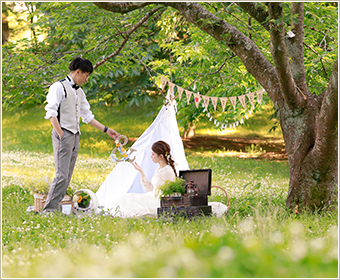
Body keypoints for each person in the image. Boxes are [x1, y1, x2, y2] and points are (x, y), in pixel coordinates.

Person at [43, 57, 120, 212]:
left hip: (75, 135)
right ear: (78, 72)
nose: (87, 79)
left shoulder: (80, 92)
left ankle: (56, 208)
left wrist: (106, 130)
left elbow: (87, 116)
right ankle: (48, 210)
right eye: (86, 75)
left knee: (67, 175)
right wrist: (60, 134)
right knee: (62, 175)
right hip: (63, 134)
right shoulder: (58, 87)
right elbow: (51, 114)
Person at [103, 140, 177, 218]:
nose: (151, 156)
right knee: (127, 198)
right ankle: (113, 213)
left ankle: (117, 214)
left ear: (161, 156)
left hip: (158, 201)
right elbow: (151, 189)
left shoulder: (167, 171)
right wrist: (140, 171)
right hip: (152, 196)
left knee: (130, 199)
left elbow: (169, 194)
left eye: (153, 154)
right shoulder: (159, 168)